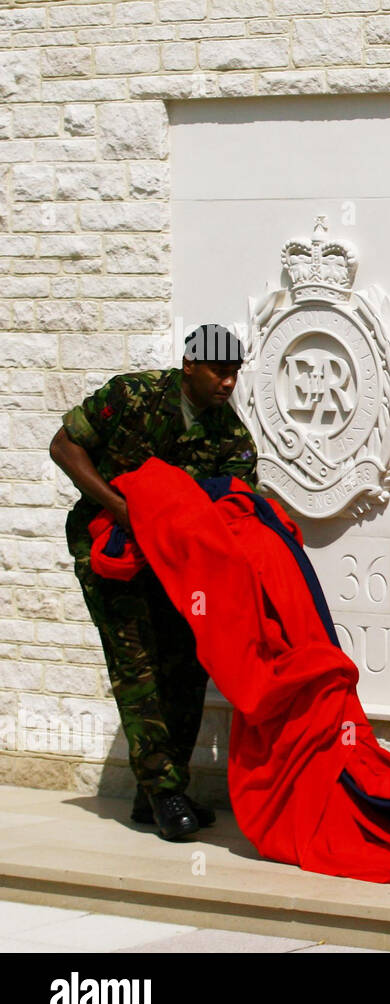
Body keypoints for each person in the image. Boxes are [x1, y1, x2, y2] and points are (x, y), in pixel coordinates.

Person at [49, 324, 261, 841]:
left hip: (175, 562)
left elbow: (237, 503)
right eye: (219, 371)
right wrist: (121, 508)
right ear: (190, 364)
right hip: (110, 550)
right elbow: (64, 447)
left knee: (187, 665)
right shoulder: (132, 396)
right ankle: (165, 792)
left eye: (235, 373)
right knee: (137, 664)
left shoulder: (228, 435)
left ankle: (159, 795)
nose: (228, 383)